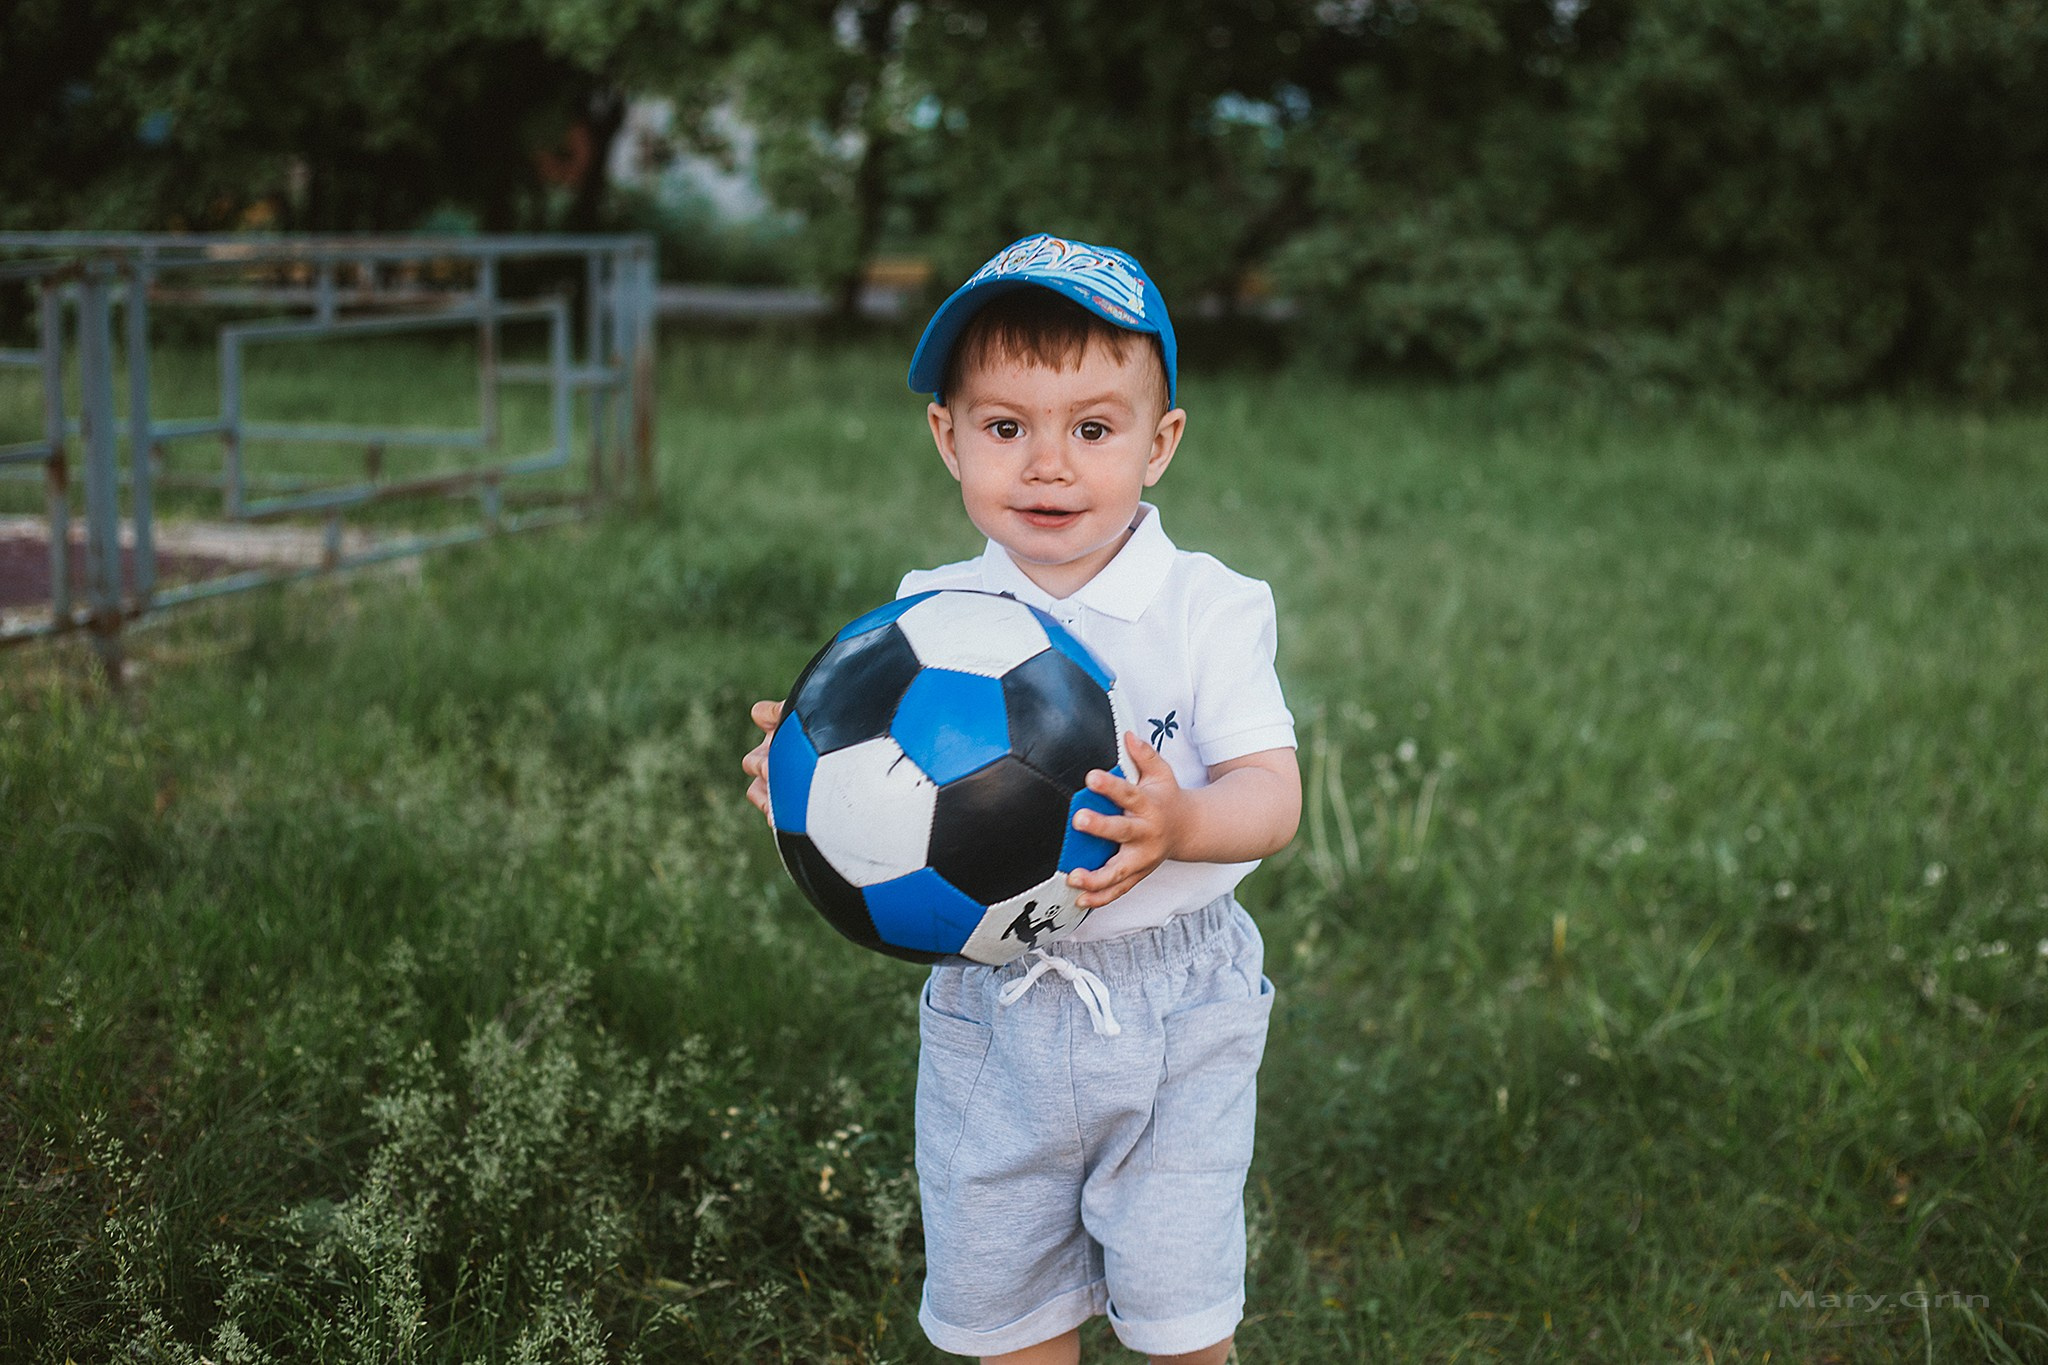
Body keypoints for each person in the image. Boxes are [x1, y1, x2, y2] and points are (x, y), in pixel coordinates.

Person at [741, 234, 1300, 1365]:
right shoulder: (920, 617)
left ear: (1159, 445)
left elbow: (1272, 795)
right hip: (991, 1010)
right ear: (947, 438)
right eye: (1006, 428)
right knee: (1005, 1306)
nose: (1048, 464)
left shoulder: (1207, 607)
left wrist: (1181, 823)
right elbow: (877, 785)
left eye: (1092, 430)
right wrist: (802, 789)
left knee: (1182, 1312)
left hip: (1172, 1010)